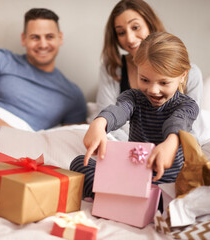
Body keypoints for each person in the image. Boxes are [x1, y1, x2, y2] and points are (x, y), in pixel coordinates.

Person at [70, 32, 199, 200]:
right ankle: (119, 196)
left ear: (182, 76)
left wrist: (171, 142)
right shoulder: (133, 97)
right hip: (132, 177)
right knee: (79, 163)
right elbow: (119, 111)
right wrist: (99, 123)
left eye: (163, 82)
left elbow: (177, 123)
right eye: (145, 80)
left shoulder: (187, 105)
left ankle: (117, 197)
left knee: (186, 193)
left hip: (166, 184)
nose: (153, 90)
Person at [0, 8, 87, 131]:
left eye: (49, 37)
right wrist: (3, 129)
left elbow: (75, 141)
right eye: (35, 37)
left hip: (17, 146)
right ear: (24, 39)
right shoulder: (1, 60)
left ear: (60, 38)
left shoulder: (72, 95)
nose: (43, 44)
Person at [96, 0, 202, 140]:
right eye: (121, 32)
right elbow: (115, 112)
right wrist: (101, 122)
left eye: (135, 27)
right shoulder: (127, 90)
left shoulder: (189, 89)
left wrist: (168, 144)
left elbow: (185, 124)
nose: (130, 38)